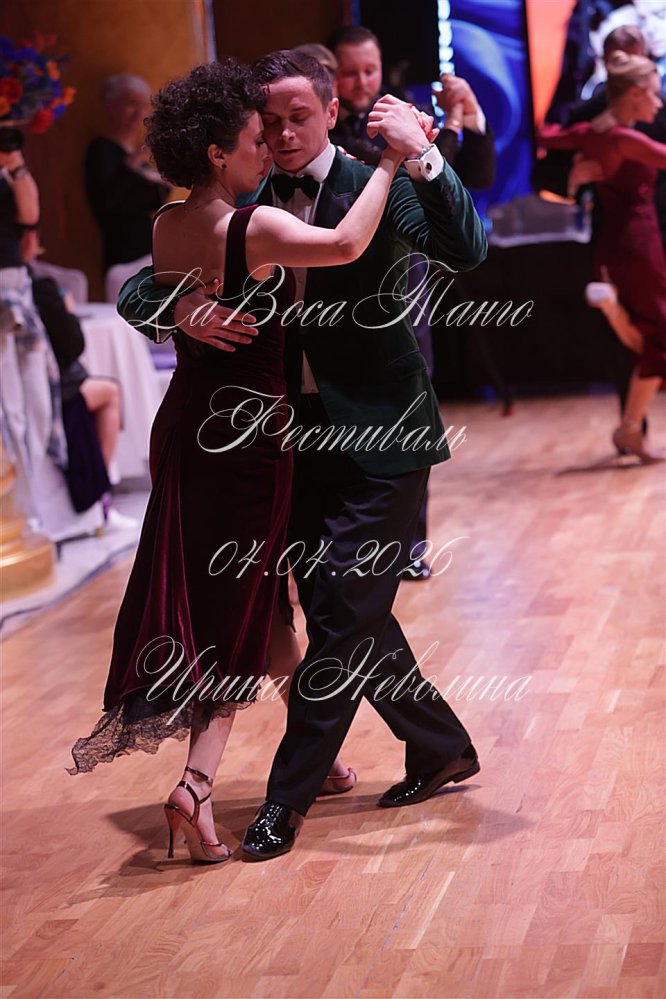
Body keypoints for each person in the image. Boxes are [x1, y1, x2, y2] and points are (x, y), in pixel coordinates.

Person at [117, 49, 487, 860]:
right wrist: (178, 307)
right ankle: (441, 744)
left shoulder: (371, 183)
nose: (282, 134)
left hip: (382, 433)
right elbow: (143, 281)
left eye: (297, 118)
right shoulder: (244, 199)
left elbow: (467, 248)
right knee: (342, 612)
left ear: (330, 111)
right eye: (269, 122)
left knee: (342, 613)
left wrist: (420, 158)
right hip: (287, 437)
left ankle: (284, 799)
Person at [68, 58, 406, 864]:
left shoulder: (165, 223)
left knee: (255, 597)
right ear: (218, 152)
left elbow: (156, 288)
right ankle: (197, 786)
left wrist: (183, 300)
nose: (268, 148)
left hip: (188, 427)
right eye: (256, 138)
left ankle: (315, 756)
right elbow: (347, 240)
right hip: (249, 441)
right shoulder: (253, 227)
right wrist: (392, 162)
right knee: (244, 607)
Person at [328, 25, 495, 578]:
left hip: (405, 287)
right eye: (349, 72)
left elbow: (467, 177)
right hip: (337, 295)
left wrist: (466, 119)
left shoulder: (401, 113)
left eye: (369, 71)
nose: (361, 82)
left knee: (410, 413)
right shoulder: (318, 132)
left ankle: (410, 547)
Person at [539, 51, 666, 463]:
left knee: (653, 335)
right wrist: (573, 175)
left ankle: (613, 311)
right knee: (660, 338)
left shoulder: (592, 133)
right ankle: (629, 429)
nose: (659, 102)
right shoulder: (625, 139)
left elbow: (546, 136)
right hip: (639, 245)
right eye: (654, 94)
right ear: (634, 95)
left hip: (614, 244)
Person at [85, 74, 169, 278]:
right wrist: (134, 162)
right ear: (111, 107)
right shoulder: (101, 150)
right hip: (121, 251)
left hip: (148, 248)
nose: (139, 113)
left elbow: (154, 201)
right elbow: (107, 202)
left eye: (143, 105)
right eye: (131, 104)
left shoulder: (137, 153)